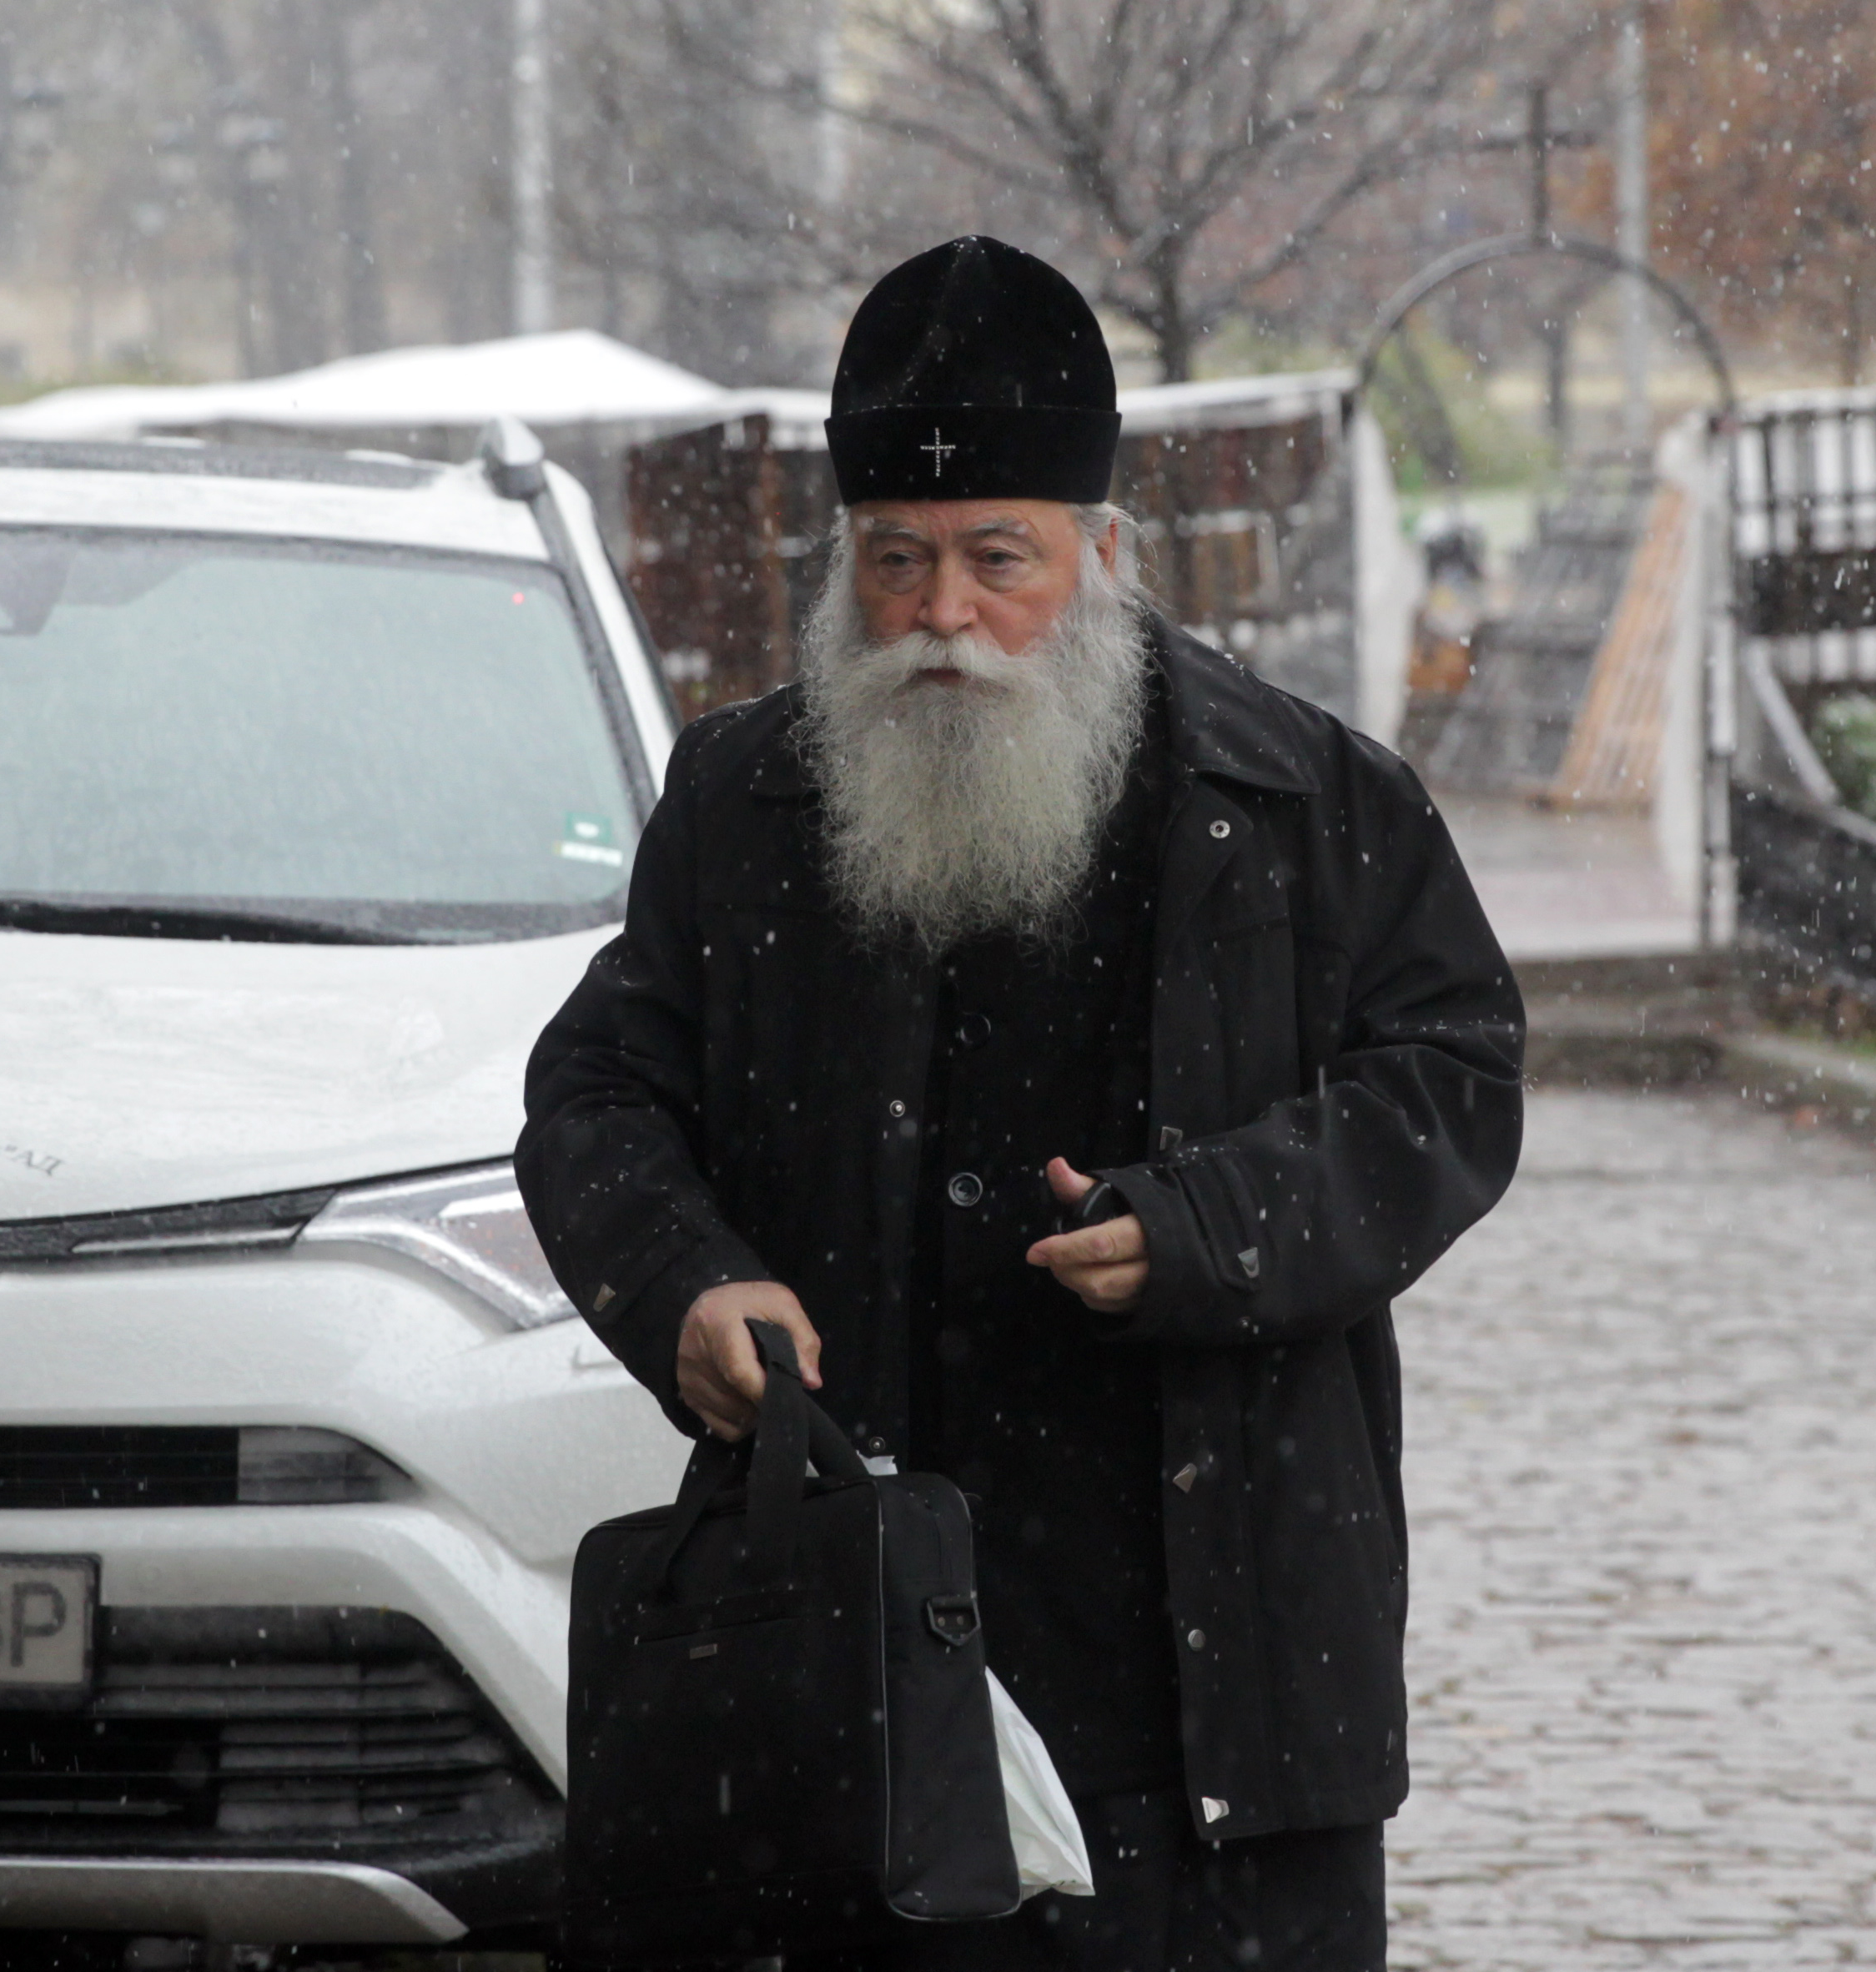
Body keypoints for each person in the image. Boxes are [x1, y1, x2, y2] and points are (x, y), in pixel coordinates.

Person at [516, 237, 1524, 1971]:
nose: (944, 615)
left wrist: (1215, 1224)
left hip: (1213, 1652)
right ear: (844, 569)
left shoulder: (1296, 796)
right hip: (858, 1632)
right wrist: (686, 1284)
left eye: (1000, 559)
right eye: (897, 564)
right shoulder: (746, 800)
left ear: (1105, 556)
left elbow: (1450, 1073)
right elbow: (599, 1092)